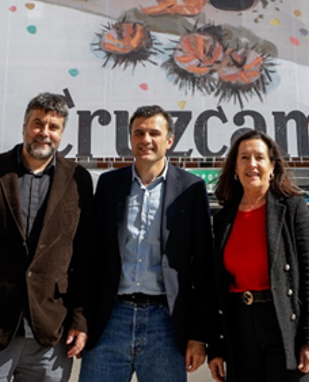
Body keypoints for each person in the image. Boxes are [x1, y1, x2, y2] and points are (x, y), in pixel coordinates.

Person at [0, 92, 94, 382]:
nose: (44, 133)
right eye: (38, 124)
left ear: (62, 134)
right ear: (25, 125)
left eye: (53, 127)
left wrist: (81, 319)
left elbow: (86, 257)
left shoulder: (78, 180)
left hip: (51, 330)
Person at [79, 105, 215, 382]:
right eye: (139, 133)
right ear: (130, 139)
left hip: (165, 324)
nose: (146, 140)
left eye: (155, 132)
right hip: (110, 320)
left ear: (169, 140)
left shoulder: (191, 189)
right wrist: (81, 320)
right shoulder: (108, 184)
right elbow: (90, 258)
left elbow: (203, 267)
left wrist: (199, 335)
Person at [207, 130, 309, 382]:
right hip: (239, 328)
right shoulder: (222, 219)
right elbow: (215, 287)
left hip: (284, 326)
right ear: (234, 167)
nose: (251, 164)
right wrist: (216, 347)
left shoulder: (292, 208)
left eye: (259, 158)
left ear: (272, 166)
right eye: (244, 158)